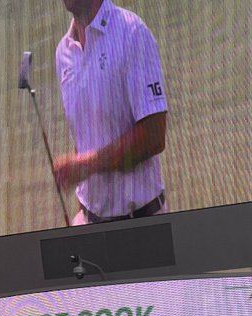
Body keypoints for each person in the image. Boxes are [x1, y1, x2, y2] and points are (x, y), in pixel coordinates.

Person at [53, 0, 168, 224]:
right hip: (89, 222)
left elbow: (154, 137)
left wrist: (87, 165)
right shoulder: (63, 53)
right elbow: (83, 141)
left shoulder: (132, 32)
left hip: (142, 223)